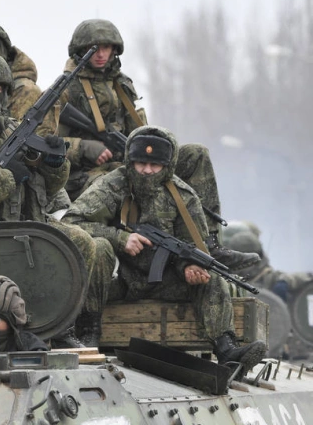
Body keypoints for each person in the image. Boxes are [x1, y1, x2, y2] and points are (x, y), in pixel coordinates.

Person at [55, 18, 259, 273]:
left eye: (106, 47)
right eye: (93, 48)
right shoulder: (66, 88)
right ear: (80, 50)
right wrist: (84, 147)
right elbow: (47, 142)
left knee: (196, 154)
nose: (100, 54)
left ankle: (207, 243)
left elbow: (141, 132)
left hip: (130, 161)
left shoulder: (122, 84)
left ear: (115, 50)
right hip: (87, 173)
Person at [0, 52, 111, 348]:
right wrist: (8, 177)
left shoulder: (10, 127)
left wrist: (55, 162)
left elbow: (49, 189)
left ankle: (61, 326)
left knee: (80, 243)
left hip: (24, 222)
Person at [62, 125, 267, 369]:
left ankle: (226, 348)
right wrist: (119, 238)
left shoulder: (183, 197)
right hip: (118, 281)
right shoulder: (113, 185)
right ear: (130, 161)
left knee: (212, 280)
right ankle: (89, 331)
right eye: (141, 163)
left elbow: (192, 245)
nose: (147, 171)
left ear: (167, 166)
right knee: (99, 246)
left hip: (164, 282)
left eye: (155, 165)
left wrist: (188, 267)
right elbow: (71, 222)